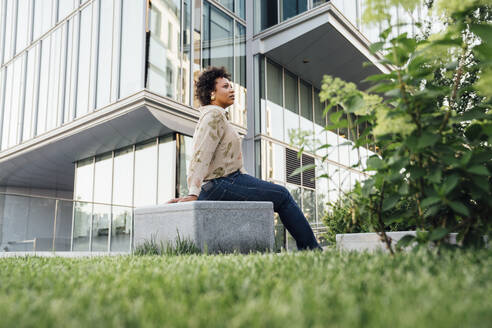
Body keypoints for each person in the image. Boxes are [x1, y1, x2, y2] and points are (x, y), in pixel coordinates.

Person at [167, 66, 322, 251]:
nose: (231, 90)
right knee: (282, 196)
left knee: (271, 199)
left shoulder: (219, 117)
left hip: (224, 182)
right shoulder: (213, 116)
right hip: (221, 183)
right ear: (211, 94)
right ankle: (312, 249)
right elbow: (201, 154)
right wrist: (193, 192)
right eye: (225, 87)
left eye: (231, 86)